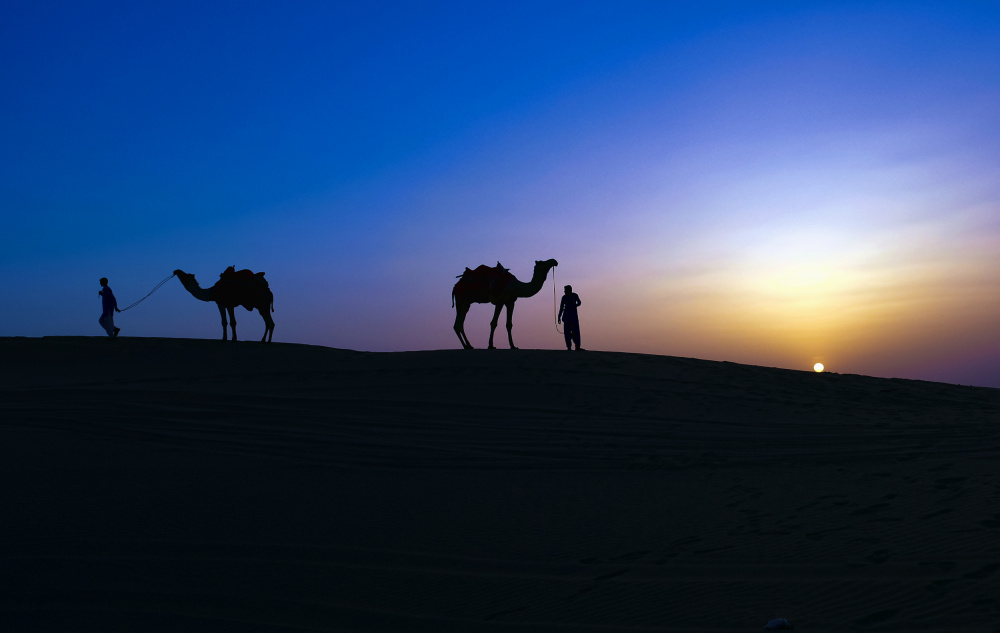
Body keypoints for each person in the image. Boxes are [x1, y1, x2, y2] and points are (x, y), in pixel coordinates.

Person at [557, 284, 582, 350]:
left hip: (574, 318)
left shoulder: (575, 295)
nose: (565, 292)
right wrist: (559, 316)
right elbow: (561, 307)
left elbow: (579, 302)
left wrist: (575, 305)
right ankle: (569, 347)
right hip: (567, 317)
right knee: (567, 333)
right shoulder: (564, 297)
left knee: (576, 332)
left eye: (565, 290)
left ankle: (577, 347)